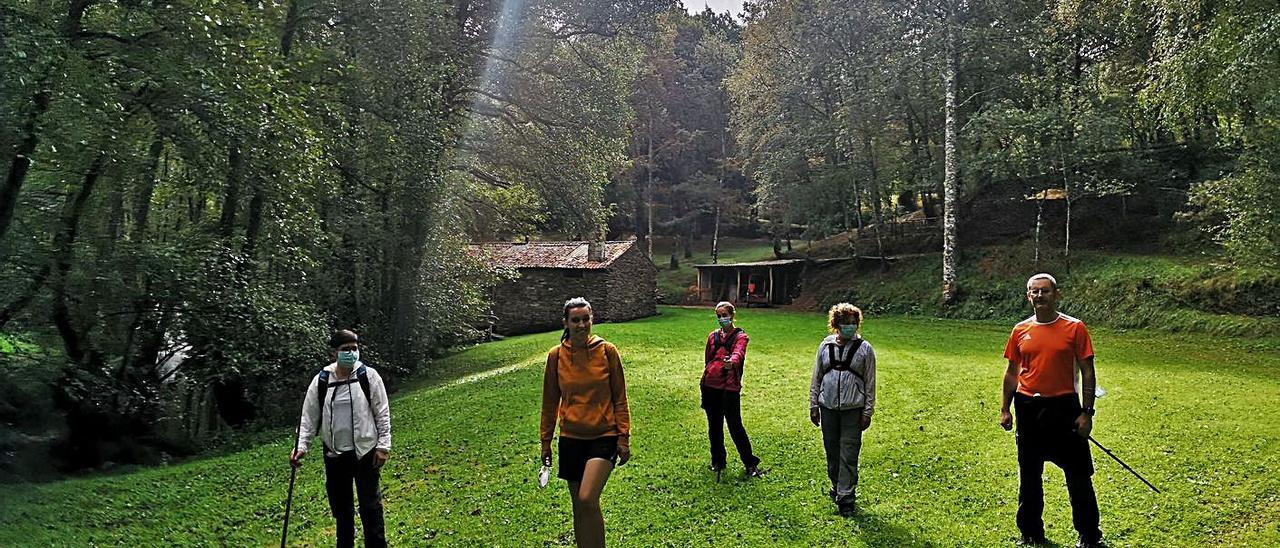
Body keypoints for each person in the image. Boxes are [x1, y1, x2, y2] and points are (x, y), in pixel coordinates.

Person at [999, 273, 1103, 548]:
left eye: (1045, 291)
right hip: (1028, 408)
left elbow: (1088, 372)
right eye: (1034, 291)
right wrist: (1005, 409)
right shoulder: (1020, 330)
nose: (1039, 296)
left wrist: (1087, 412)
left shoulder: (1075, 328)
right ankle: (1031, 532)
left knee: (1078, 475)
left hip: (1064, 407)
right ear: (1028, 296)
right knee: (1029, 474)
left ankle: (1089, 535)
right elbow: (1011, 373)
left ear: (1057, 295)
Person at [540, 298, 631, 548]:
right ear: (566, 323)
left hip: (603, 436)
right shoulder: (556, 356)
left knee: (588, 497)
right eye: (575, 320)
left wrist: (623, 436)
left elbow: (619, 397)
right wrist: (545, 441)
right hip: (571, 438)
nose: (581, 325)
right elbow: (549, 402)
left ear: (592, 319)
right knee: (579, 508)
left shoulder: (607, 351)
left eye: (585, 319)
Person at [290, 330, 392, 548]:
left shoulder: (368, 376)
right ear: (334, 352)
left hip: (366, 452)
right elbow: (309, 417)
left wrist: (383, 446)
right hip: (335, 456)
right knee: (342, 510)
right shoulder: (322, 380)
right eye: (346, 349)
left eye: (354, 348)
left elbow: (381, 412)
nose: (352, 353)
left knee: (370, 507)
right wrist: (302, 446)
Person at [808, 303, 876, 517]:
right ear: (836, 324)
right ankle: (837, 485)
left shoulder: (865, 349)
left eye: (854, 323)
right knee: (832, 451)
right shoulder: (825, 346)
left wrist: (867, 411)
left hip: (852, 409)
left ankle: (846, 496)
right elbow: (816, 377)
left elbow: (870, 381)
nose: (850, 327)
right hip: (827, 407)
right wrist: (813, 404)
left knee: (848, 452)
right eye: (846, 323)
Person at [700, 301, 762, 479]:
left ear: (732, 315)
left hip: (729, 387)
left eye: (724, 315)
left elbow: (739, 353)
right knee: (714, 426)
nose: (721, 319)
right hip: (710, 386)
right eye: (718, 316)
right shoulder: (712, 337)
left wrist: (732, 362)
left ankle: (750, 462)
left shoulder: (741, 337)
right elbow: (708, 359)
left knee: (735, 426)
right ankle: (718, 461)